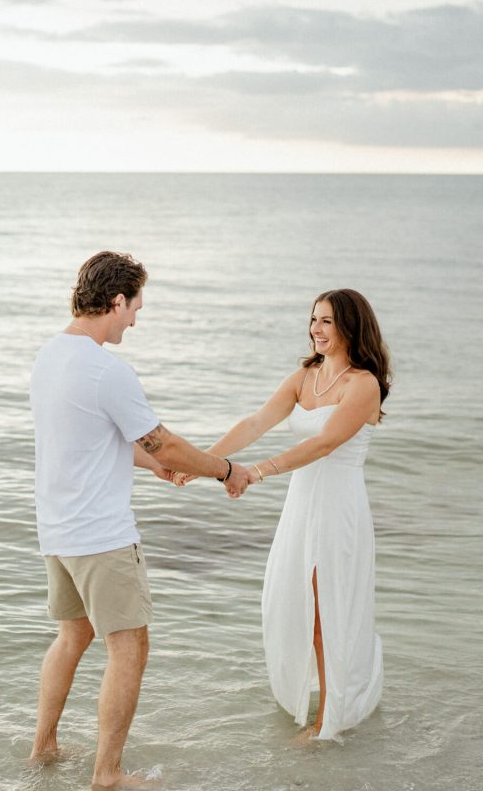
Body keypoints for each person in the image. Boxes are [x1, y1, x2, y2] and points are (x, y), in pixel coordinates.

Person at [29, 251, 251, 789]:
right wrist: (224, 470)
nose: (136, 320)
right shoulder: (107, 369)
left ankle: (44, 747)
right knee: (129, 647)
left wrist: (157, 465)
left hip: (58, 532)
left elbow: (98, 443)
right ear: (117, 300)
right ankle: (107, 774)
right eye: (135, 308)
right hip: (101, 536)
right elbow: (165, 442)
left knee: (70, 638)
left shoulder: (49, 356)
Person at [182, 289, 390, 741]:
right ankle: (317, 700)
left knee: (325, 609)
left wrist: (254, 473)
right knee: (291, 600)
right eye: (313, 319)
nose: (316, 329)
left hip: (338, 507)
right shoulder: (305, 375)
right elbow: (256, 422)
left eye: (327, 321)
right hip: (301, 506)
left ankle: (327, 722)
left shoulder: (363, 384)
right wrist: (199, 463)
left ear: (351, 326)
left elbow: (324, 443)